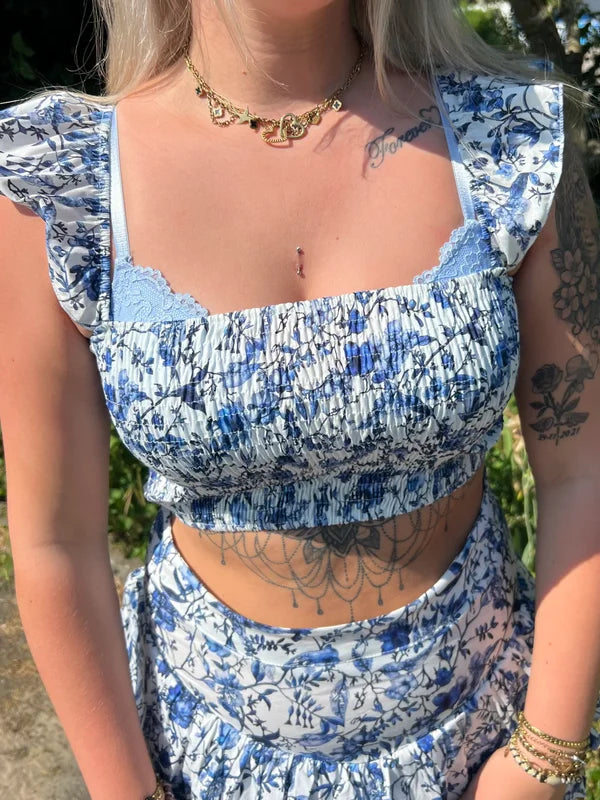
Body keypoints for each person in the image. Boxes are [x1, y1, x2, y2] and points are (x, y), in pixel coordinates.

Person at [1, 0, 600, 798]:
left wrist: (542, 759)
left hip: (483, 740)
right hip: (200, 760)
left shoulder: (514, 141)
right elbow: (55, 544)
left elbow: (583, 471)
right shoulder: (62, 180)